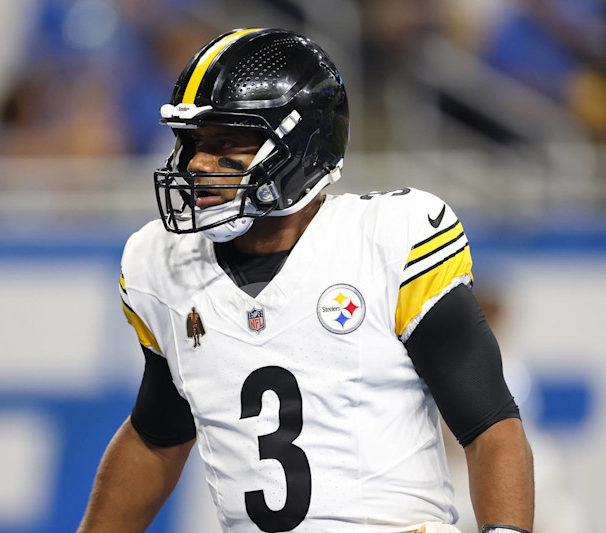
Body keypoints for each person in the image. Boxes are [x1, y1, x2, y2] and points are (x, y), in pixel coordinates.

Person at [78, 28, 534, 533]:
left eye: (226, 141)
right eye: (192, 143)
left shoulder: (388, 240)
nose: (198, 164)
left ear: (299, 145)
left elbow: (489, 424)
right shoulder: (164, 265)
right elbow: (156, 436)